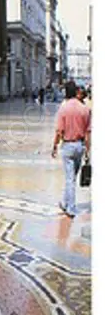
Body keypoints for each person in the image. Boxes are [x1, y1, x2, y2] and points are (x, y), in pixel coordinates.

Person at [51, 80, 91, 218]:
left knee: (70, 179)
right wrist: (87, 150)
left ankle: (71, 208)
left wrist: (55, 146)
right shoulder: (85, 109)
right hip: (80, 146)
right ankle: (65, 202)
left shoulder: (64, 108)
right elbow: (88, 132)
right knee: (72, 177)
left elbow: (59, 131)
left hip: (68, 145)